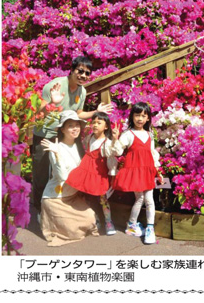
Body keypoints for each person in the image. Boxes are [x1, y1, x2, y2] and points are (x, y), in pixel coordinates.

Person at [31, 55, 113, 212]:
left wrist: (97, 111)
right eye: (80, 71)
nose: (83, 75)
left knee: (74, 166)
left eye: (87, 73)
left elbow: (79, 113)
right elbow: (38, 113)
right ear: (72, 69)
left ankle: (65, 205)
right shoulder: (54, 86)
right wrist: (52, 103)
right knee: (41, 172)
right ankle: (39, 209)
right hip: (45, 133)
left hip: (66, 134)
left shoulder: (82, 91)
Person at [40, 110, 99, 246]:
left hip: (72, 196)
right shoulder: (56, 148)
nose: (75, 128)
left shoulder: (79, 146)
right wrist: (57, 154)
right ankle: (46, 217)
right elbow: (62, 176)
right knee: (73, 232)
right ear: (63, 129)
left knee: (90, 218)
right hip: (55, 198)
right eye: (70, 126)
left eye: (77, 125)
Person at [112, 102, 161, 245]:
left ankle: (143, 227)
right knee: (141, 199)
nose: (140, 118)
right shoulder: (128, 134)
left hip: (147, 170)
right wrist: (115, 138)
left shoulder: (149, 134)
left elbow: (152, 154)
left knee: (148, 200)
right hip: (135, 171)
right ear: (132, 116)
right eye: (137, 115)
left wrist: (158, 171)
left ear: (148, 119)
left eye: (144, 116)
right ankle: (135, 225)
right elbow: (118, 152)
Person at [65, 112, 118, 235]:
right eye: (93, 122)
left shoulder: (107, 142)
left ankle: (108, 222)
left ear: (106, 126)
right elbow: (84, 146)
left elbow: (113, 155)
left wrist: (115, 140)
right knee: (86, 196)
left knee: (103, 198)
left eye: (99, 123)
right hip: (86, 169)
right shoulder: (89, 138)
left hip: (98, 172)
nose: (95, 125)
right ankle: (95, 219)